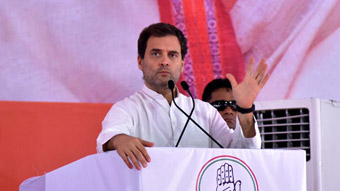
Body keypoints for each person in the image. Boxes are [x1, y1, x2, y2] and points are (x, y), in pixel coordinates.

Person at [97, 23, 269, 170]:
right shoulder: (127, 109)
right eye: (156, 54)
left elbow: (242, 154)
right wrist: (119, 140)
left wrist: (245, 110)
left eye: (172, 55)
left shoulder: (205, 112)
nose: (164, 61)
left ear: (181, 63)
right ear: (140, 62)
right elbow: (109, 137)